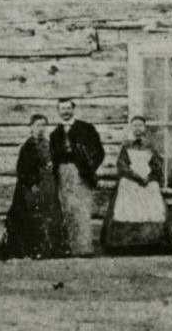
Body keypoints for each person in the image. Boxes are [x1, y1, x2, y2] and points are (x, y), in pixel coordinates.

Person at [101, 116, 172, 253]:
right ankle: (127, 245)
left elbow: (157, 165)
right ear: (131, 127)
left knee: (153, 204)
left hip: (147, 181)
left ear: (145, 128)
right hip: (131, 180)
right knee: (127, 208)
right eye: (135, 125)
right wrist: (136, 177)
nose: (138, 128)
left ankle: (150, 243)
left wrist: (149, 177)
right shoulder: (126, 145)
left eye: (140, 125)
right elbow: (122, 165)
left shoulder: (150, 146)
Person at [0, 114, 67, 259]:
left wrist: (52, 166)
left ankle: (53, 248)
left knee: (51, 214)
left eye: (44, 125)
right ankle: (33, 248)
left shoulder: (48, 145)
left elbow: (54, 163)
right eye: (38, 125)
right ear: (31, 127)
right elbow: (22, 170)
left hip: (47, 186)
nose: (41, 128)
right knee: (32, 215)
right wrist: (32, 184)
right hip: (30, 187)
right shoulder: (28, 147)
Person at [50, 98, 105, 257]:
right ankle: (70, 248)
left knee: (82, 208)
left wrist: (89, 168)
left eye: (68, 108)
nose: (65, 111)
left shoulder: (86, 128)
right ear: (58, 111)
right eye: (62, 108)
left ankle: (84, 248)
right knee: (67, 209)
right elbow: (54, 156)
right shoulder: (55, 133)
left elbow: (99, 151)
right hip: (63, 172)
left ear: (73, 109)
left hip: (81, 173)